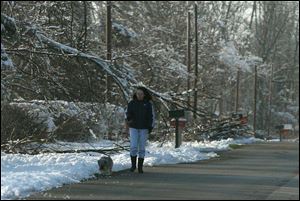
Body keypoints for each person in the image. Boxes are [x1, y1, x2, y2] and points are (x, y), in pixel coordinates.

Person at [125, 86, 155, 173]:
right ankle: (133, 166)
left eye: (141, 94)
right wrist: (129, 118)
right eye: (138, 94)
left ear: (144, 94)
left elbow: (151, 116)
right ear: (135, 94)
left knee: (141, 148)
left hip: (144, 128)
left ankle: (140, 167)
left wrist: (150, 127)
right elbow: (127, 113)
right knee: (133, 146)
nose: (139, 95)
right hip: (133, 127)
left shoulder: (148, 104)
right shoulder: (131, 103)